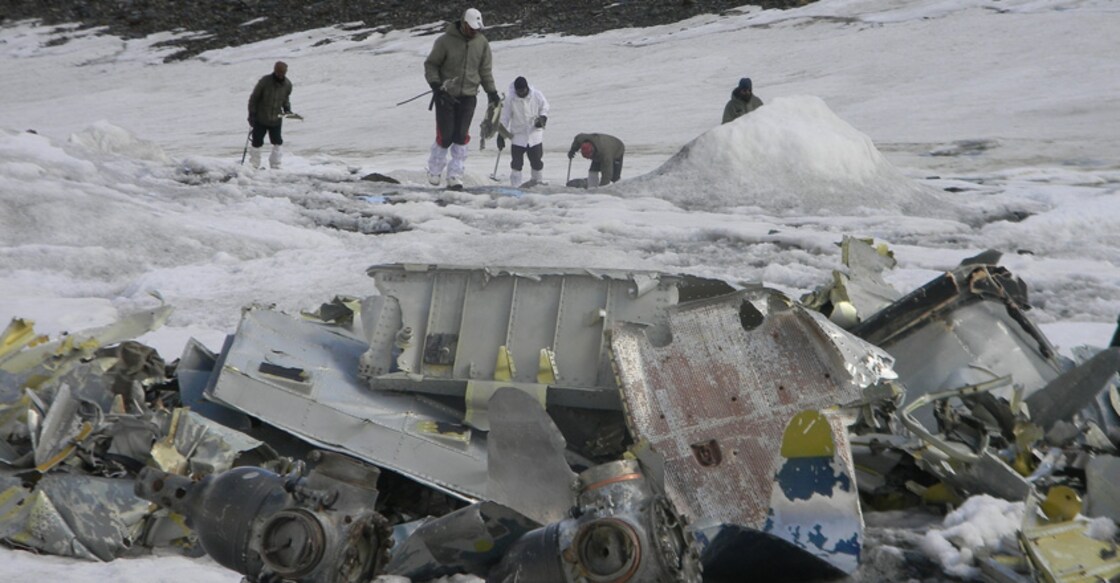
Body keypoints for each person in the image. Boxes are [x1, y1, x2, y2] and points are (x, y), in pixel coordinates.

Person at [423, 8, 499, 189]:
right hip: (445, 96)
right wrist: (435, 86)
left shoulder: (482, 44)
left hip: (469, 96)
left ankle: (455, 175)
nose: (475, 31)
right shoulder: (444, 42)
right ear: (464, 23)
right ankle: (434, 170)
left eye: (477, 28)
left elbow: (485, 71)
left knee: (461, 136)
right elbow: (431, 65)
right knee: (446, 135)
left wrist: (492, 92)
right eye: (472, 28)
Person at [497, 76, 550, 187]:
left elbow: (545, 106)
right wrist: (501, 135)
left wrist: (543, 118)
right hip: (518, 136)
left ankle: (537, 183)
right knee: (516, 163)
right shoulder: (510, 99)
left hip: (534, 134)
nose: (521, 93)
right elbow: (505, 117)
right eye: (519, 91)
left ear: (527, 87)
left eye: (523, 90)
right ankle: (515, 186)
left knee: (536, 161)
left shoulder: (536, 94)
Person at [247, 61, 293, 169]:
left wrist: (287, 108)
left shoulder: (287, 84)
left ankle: (275, 165)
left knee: (277, 141)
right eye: (277, 72)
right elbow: (254, 98)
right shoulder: (265, 81)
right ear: (274, 70)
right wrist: (252, 114)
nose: (279, 75)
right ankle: (254, 165)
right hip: (261, 117)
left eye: (282, 73)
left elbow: (285, 98)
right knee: (256, 142)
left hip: (276, 119)